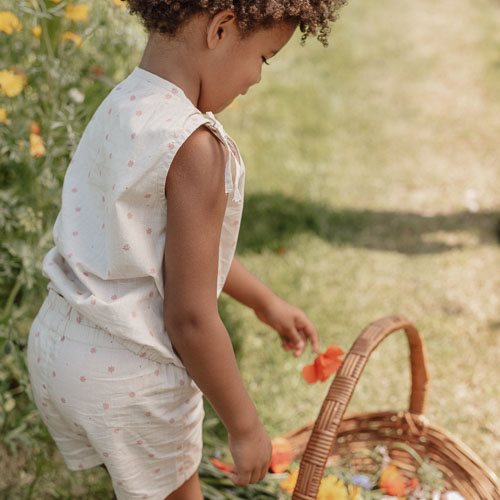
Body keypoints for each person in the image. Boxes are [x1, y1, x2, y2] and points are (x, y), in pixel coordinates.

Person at [26, 1, 347, 498]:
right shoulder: (196, 147)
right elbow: (190, 319)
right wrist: (245, 427)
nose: (257, 78)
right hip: (131, 378)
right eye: (265, 57)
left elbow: (173, 252)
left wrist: (265, 302)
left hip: (61, 349)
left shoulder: (122, 103)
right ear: (221, 28)